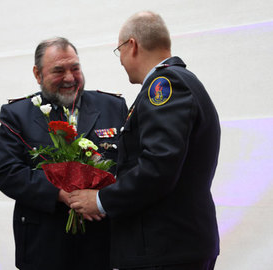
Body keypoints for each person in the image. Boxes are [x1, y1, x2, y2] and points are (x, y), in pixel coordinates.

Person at [70, 11, 221, 270]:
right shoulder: (183, 81)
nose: (121, 62)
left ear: (132, 45)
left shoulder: (164, 84)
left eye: (119, 51)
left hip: (165, 247)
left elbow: (158, 167)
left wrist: (100, 200)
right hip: (176, 244)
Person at [0, 37, 128, 270]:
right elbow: (8, 173)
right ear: (38, 74)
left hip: (103, 243)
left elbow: (128, 165)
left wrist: (101, 197)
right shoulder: (17, 115)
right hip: (44, 246)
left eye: (75, 68)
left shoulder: (112, 106)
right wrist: (59, 193)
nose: (69, 77)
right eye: (59, 70)